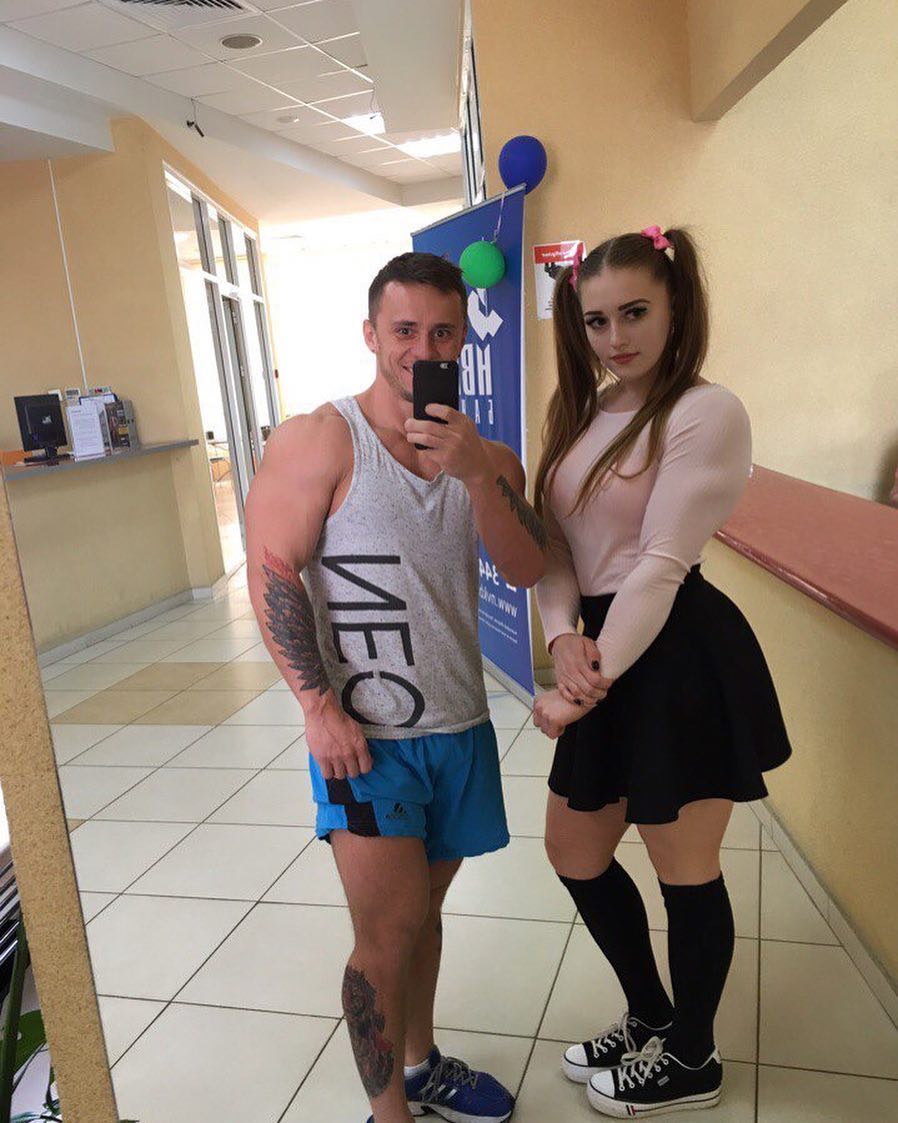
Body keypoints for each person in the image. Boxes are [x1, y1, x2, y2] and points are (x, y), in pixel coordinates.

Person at [245, 252, 547, 1123]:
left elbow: (527, 567)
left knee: (425, 915)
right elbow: (273, 569)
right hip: (365, 737)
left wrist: (476, 472)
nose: (423, 348)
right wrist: (317, 707)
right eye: (404, 330)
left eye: (442, 332)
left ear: (463, 341)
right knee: (385, 932)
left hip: (458, 722)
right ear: (371, 334)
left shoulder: (489, 458)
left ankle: (419, 1065)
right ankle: (390, 1115)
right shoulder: (320, 439)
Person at [530, 227, 792, 1117]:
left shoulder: (706, 412)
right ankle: (650, 1012)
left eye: (635, 312)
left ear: (676, 305)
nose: (615, 337)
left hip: (677, 652)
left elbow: (660, 565)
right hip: (603, 646)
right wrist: (562, 635)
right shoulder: (583, 409)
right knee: (574, 850)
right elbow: (554, 544)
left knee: (684, 865)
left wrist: (579, 689)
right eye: (596, 319)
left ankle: (692, 1055)